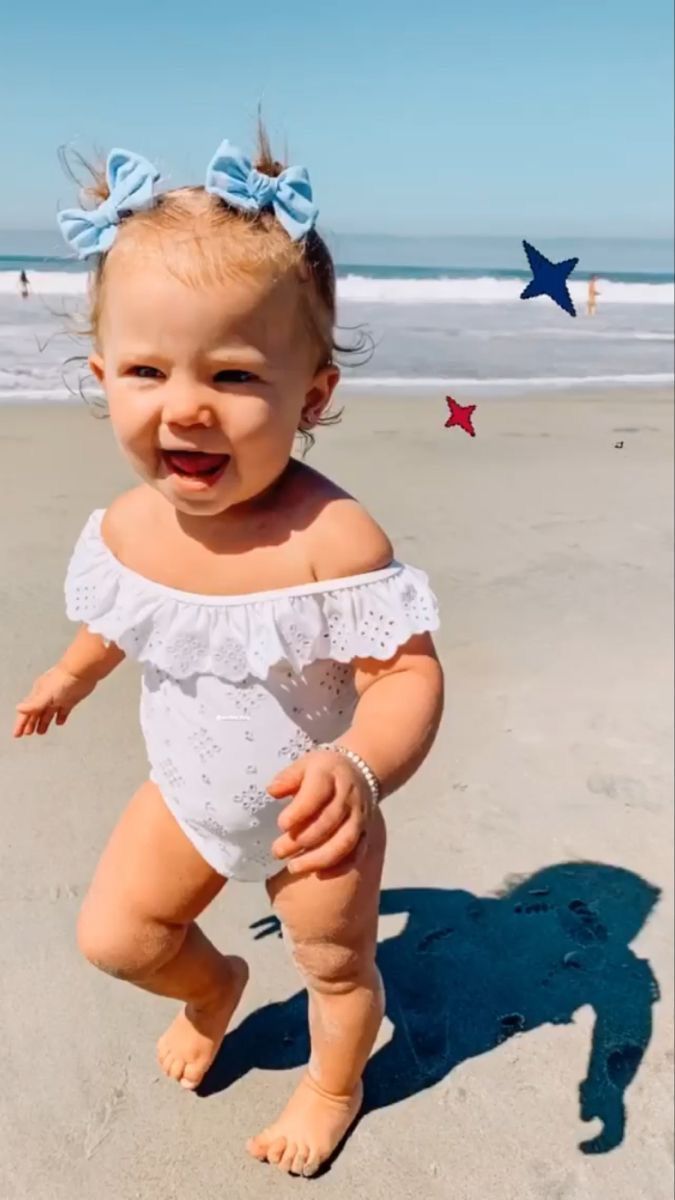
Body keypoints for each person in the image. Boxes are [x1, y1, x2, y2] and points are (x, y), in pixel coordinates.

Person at [12, 127, 445, 1178]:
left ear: (313, 393)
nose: (187, 405)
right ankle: (212, 989)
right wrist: (73, 675)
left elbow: (408, 674)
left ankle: (333, 1083)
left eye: (237, 373)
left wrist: (356, 766)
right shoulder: (130, 526)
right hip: (189, 793)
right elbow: (132, 614)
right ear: (102, 372)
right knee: (117, 938)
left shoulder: (330, 540)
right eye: (149, 369)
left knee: (337, 967)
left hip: (311, 821)